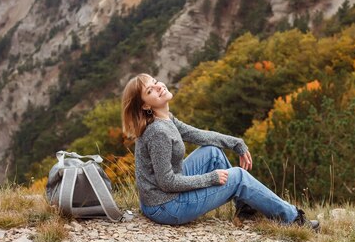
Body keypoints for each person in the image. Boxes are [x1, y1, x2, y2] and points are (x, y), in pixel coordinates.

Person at [121, 73, 319, 230]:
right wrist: (211, 178)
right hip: (166, 207)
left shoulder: (166, 119)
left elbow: (199, 135)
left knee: (212, 152)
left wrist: (236, 143)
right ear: (146, 105)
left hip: (161, 199)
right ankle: (293, 219)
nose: (158, 86)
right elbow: (167, 182)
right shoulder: (158, 133)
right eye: (150, 90)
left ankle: (246, 207)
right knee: (239, 177)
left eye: (155, 81)